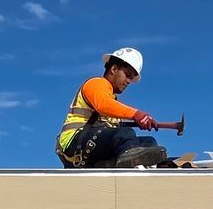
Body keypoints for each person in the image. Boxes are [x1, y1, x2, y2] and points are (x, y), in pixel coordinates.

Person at [55, 47, 183, 169]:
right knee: (124, 135)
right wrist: (136, 114)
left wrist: (139, 121)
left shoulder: (112, 99)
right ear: (114, 69)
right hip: (74, 144)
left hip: (92, 146)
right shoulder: (96, 84)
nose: (128, 81)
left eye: (131, 78)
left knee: (148, 142)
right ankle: (126, 159)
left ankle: (150, 164)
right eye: (127, 75)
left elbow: (109, 126)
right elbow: (103, 105)